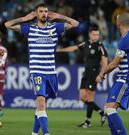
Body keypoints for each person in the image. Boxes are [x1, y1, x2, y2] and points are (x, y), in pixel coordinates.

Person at [5, 3, 78, 135]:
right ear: (36, 14)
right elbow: (7, 24)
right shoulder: (29, 28)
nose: (44, 14)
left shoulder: (55, 27)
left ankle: (34, 133)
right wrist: (25, 18)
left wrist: (59, 16)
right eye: (41, 11)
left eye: (46, 11)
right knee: (41, 101)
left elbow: (75, 24)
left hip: (51, 72)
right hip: (37, 71)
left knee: (42, 106)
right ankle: (46, 133)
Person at [96, 12, 129, 135]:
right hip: (125, 78)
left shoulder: (125, 40)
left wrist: (101, 73)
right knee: (107, 108)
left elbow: (115, 64)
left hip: (126, 79)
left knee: (110, 109)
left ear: (118, 24)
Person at [57, 26, 108, 128]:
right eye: (94, 34)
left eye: (97, 35)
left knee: (89, 97)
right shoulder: (85, 44)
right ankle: (102, 113)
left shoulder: (100, 46)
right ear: (89, 34)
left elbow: (105, 62)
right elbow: (74, 48)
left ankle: (87, 122)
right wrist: (60, 50)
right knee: (82, 98)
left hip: (94, 74)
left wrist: (101, 75)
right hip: (86, 73)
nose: (96, 37)